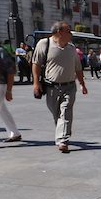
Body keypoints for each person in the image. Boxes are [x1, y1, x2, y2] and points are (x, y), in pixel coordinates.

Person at [31, 21, 88, 153]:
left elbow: (78, 68)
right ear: (59, 32)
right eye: (68, 30)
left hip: (69, 86)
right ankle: (62, 134)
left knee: (66, 111)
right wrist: (35, 83)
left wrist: (82, 84)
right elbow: (36, 64)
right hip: (51, 87)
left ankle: (62, 140)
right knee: (57, 114)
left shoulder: (71, 48)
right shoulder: (44, 44)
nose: (71, 33)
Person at [0, 43, 21, 142]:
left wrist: (9, 90)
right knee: (2, 110)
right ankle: (14, 133)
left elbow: (11, 71)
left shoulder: (1, 52)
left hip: (0, 84)